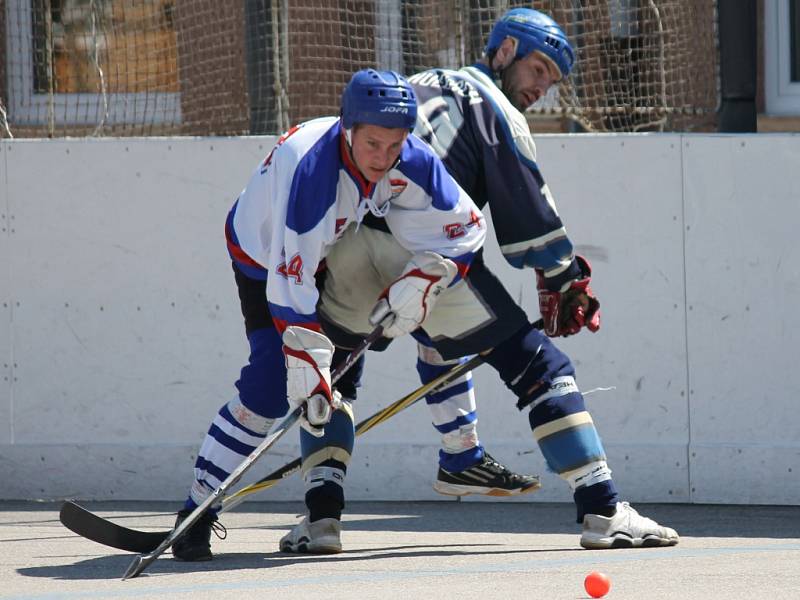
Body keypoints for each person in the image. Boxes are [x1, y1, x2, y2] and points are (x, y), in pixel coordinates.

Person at [316, 7, 679, 550]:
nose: (541, 89)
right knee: (541, 366)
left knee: (335, 380)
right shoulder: (495, 108)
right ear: (504, 50)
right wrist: (565, 278)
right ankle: (603, 512)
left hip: (344, 249)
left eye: (552, 81)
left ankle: (322, 522)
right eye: (538, 70)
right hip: (421, 253)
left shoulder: (407, 87)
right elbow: (529, 213)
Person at [171, 68, 488, 561]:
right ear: (347, 129)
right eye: (373, 144)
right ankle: (195, 511)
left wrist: (428, 277)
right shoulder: (313, 175)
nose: (384, 159)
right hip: (263, 259)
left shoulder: (414, 160)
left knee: (334, 382)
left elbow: (466, 230)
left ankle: (325, 511)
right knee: (271, 384)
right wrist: (308, 366)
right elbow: (288, 285)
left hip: (332, 247)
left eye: (395, 145)